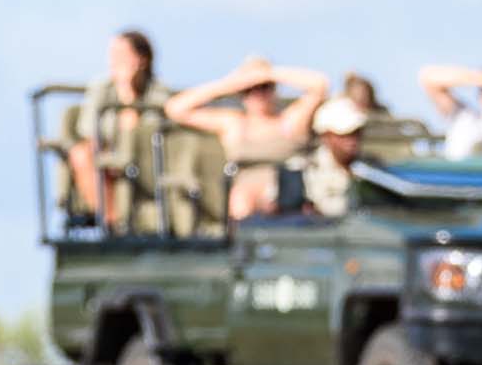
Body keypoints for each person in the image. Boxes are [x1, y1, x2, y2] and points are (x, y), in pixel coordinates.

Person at [164, 56, 330, 219]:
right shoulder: (233, 123)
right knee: (240, 201)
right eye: (250, 90)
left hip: (287, 193)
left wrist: (269, 73)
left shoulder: (289, 121)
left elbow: (319, 85)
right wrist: (231, 83)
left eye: (264, 87)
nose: (258, 95)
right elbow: (175, 109)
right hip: (243, 200)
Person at [69, 30, 170, 225]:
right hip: (107, 156)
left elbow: (139, 137)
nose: (114, 62)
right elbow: (89, 132)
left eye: (121, 56)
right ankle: (112, 222)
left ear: (142, 60)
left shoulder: (158, 92)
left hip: (145, 161)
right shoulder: (100, 88)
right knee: (81, 154)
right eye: (112, 55)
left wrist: (127, 93)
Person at [301, 97, 367, 218]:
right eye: (344, 134)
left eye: (356, 132)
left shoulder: (369, 168)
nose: (352, 140)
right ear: (326, 136)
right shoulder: (304, 170)